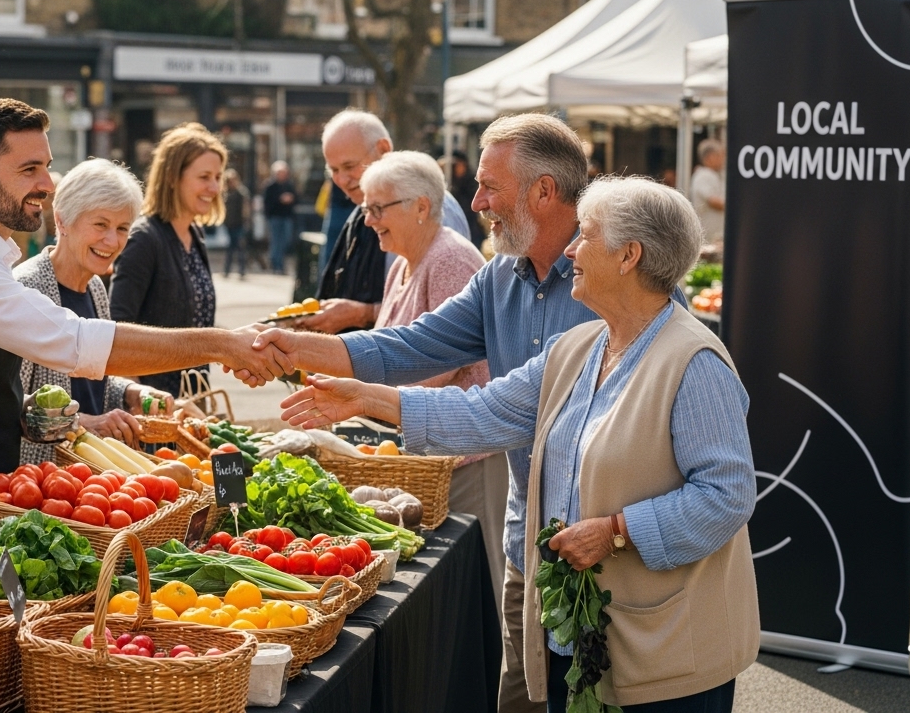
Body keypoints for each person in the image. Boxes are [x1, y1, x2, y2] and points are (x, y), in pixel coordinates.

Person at [280, 176, 757, 712]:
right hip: (580, 641)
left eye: (587, 237)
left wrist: (617, 532)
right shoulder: (576, 349)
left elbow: (727, 495)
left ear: (629, 256)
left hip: (667, 654)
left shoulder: (695, 362)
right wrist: (367, 398)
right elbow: (483, 413)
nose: (571, 250)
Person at [243, 114, 613, 713]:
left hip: (603, 549)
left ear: (544, 191)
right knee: (519, 697)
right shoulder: (499, 278)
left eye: (490, 185)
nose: (475, 200)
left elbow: (505, 411)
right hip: (531, 538)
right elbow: (406, 346)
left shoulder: (615, 279)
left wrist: (368, 400)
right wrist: (283, 343)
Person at [0, 100, 286, 576]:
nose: (47, 184)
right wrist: (220, 344)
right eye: (29, 169)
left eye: (45, 167)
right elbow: (76, 343)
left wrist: (49, 416)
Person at [361, 151, 505, 604]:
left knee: (481, 584)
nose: (368, 220)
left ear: (421, 206)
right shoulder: (402, 263)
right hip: (433, 453)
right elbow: (391, 346)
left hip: (468, 455)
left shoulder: (449, 259)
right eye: (366, 208)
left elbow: (441, 364)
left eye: (378, 208)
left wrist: (366, 400)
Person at [14, 159, 177, 463]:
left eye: (122, 228)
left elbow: (88, 382)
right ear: (62, 221)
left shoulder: (95, 288)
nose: (112, 241)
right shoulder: (27, 289)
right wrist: (85, 423)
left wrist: (130, 391)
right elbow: (6, 405)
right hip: (37, 485)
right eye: (101, 225)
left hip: (85, 485)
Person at [299, 109, 471, 334]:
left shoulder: (430, 211)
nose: (341, 179)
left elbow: (443, 332)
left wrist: (362, 314)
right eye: (333, 170)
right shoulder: (366, 212)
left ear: (383, 150)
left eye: (350, 166)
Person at [109, 122, 224, 398]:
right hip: (153, 407)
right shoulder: (145, 239)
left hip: (193, 401)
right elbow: (116, 330)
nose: (214, 187)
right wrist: (141, 402)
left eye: (218, 177)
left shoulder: (195, 235)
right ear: (173, 177)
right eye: (204, 177)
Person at [262, 160, 298, 274]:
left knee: (285, 241)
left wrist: (291, 199)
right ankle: (276, 265)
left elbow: (297, 198)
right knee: (276, 241)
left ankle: (281, 264)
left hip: (287, 217)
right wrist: (280, 200)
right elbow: (267, 203)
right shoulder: (270, 186)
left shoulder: (289, 185)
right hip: (275, 217)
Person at [691, 139, 726, 244]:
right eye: (720, 155)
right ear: (710, 157)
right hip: (708, 236)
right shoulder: (704, 176)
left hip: (717, 235)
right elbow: (715, 202)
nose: (723, 159)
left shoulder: (717, 175)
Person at [449, 150, 485, 248]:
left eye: (459, 164)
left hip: (472, 225)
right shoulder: (451, 181)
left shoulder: (472, 181)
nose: (458, 168)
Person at [222, 168, 250, 277]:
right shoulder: (225, 193)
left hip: (240, 224)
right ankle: (227, 270)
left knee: (240, 247)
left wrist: (246, 222)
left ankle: (241, 271)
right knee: (230, 248)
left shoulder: (241, 192)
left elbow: (246, 209)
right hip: (229, 224)